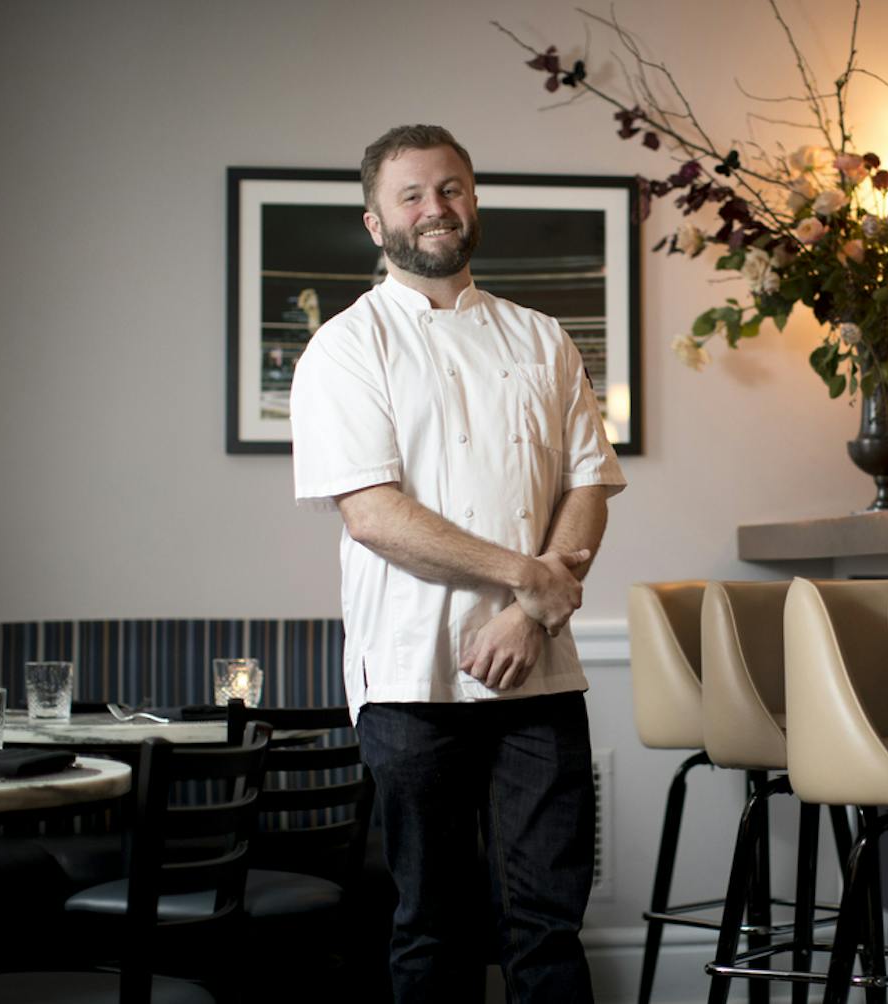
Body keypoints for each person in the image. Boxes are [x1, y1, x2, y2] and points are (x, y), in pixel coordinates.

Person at [289, 123, 626, 1003]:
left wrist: (531, 611)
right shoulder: (346, 348)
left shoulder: (544, 338)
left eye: (451, 189)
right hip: (411, 678)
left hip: (540, 673)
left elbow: (587, 488)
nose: (436, 209)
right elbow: (374, 516)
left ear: (473, 200)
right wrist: (527, 577)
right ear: (376, 222)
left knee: (548, 925)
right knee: (432, 926)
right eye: (413, 195)